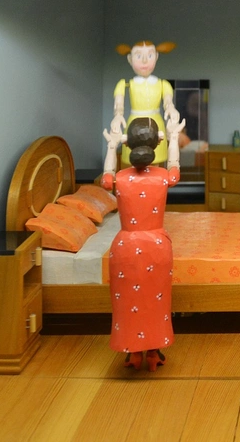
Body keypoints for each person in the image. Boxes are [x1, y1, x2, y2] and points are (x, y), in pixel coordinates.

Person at [101, 116, 182, 371]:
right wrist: (174, 137)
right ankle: (154, 351)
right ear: (158, 142)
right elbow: (175, 167)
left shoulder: (119, 178)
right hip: (156, 247)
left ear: (127, 143)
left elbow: (106, 178)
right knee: (156, 302)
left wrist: (111, 146)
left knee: (128, 303)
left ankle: (134, 352)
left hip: (126, 247)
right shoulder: (163, 177)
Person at [110, 40, 180, 168]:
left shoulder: (163, 84)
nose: (144, 61)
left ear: (156, 57)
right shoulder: (125, 84)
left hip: (156, 125)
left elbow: (168, 102)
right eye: (138, 56)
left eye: (150, 55)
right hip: (134, 126)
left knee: (155, 162)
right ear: (130, 59)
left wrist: (171, 108)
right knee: (134, 162)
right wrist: (118, 115)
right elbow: (118, 105)